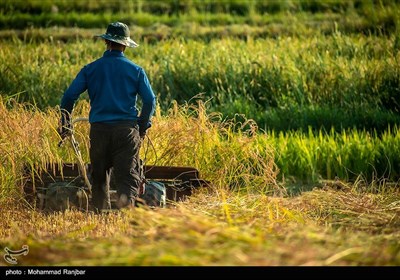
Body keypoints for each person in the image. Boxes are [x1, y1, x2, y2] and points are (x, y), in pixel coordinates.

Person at [58, 22, 156, 212]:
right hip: (126, 132)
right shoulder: (136, 71)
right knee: (127, 177)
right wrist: (142, 127)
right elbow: (150, 101)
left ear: (106, 42)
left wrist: (66, 124)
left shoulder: (90, 69)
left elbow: (69, 96)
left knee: (99, 177)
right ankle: (124, 218)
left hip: (99, 131)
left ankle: (98, 218)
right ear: (125, 45)